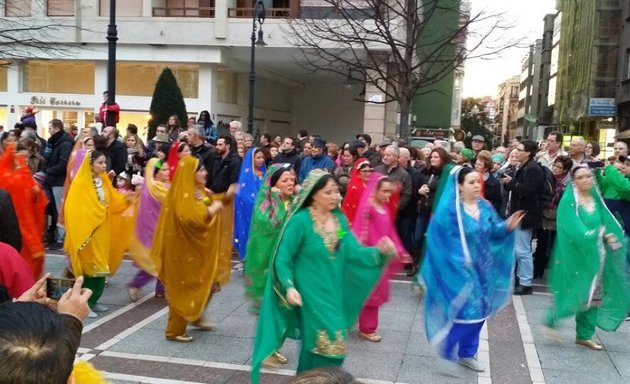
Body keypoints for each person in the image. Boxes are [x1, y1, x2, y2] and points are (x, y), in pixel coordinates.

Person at [250, 171, 396, 383]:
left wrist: (377, 252)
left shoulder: (339, 222)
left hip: (333, 293)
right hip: (309, 294)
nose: (335, 196)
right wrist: (289, 286)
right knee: (327, 346)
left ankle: (306, 379)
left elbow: (350, 250)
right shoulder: (300, 222)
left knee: (327, 347)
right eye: (328, 192)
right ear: (313, 194)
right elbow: (283, 258)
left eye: (337, 191)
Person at [421, 166, 524, 372]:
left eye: (478, 181)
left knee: (480, 314)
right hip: (459, 272)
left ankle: (467, 353)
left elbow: (493, 232)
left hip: (484, 269)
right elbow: (441, 242)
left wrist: (507, 227)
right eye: (471, 182)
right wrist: (460, 260)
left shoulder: (484, 206)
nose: (477, 185)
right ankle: (447, 351)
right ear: (459, 186)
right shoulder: (450, 211)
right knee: (469, 313)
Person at [543, 166, 629, 350]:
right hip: (577, 257)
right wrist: (598, 233)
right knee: (578, 293)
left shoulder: (595, 198)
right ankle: (550, 320)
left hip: (597, 256)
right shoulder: (570, 200)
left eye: (588, 176)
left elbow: (606, 219)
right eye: (580, 177)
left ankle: (584, 335)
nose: (585, 180)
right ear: (574, 181)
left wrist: (613, 235)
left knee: (594, 297)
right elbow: (572, 227)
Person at [151, 156, 225, 342]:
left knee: (209, 283)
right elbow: (191, 219)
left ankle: (196, 313)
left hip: (199, 250)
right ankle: (174, 331)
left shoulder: (199, 191)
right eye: (200, 170)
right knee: (183, 288)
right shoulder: (182, 194)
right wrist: (212, 209)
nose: (205, 173)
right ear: (190, 174)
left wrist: (219, 200)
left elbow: (210, 205)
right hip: (183, 251)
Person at [64, 150, 133, 317]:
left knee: (101, 266)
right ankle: (84, 303)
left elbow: (113, 200)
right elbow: (73, 209)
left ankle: (94, 300)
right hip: (89, 232)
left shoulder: (103, 180)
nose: (103, 166)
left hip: (102, 229)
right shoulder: (81, 183)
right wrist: (96, 214)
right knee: (90, 267)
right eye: (100, 163)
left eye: (104, 163)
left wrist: (127, 200)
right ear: (91, 164)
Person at [352, 175, 411, 342]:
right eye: (384, 191)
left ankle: (362, 323)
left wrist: (398, 249)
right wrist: (372, 250)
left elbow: (389, 231)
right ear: (374, 190)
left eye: (390, 191)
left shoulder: (383, 208)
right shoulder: (368, 210)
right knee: (370, 294)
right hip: (370, 257)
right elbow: (362, 232)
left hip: (380, 258)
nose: (388, 195)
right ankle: (366, 328)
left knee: (373, 294)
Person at [244, 163, 296, 313]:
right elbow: (273, 224)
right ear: (274, 184)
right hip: (269, 257)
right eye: (285, 181)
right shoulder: (264, 204)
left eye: (291, 179)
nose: (290, 183)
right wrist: (276, 199)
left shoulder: (296, 201)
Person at [501, 140, 544, 295]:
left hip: (526, 215)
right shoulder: (523, 166)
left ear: (528, 152)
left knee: (523, 250)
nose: (516, 152)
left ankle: (525, 283)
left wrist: (511, 182)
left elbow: (528, 190)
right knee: (516, 249)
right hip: (517, 213)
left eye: (519, 149)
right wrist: (508, 182)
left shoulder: (533, 169)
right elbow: (517, 187)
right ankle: (519, 279)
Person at [0, 143, 48, 279]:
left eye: (27, 157)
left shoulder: (25, 175)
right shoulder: (7, 175)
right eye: (22, 156)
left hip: (29, 223)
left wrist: (36, 192)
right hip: (15, 224)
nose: (25, 160)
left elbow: (36, 199)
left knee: (34, 258)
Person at [127, 159, 170, 301]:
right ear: (156, 173)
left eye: (167, 169)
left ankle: (161, 290)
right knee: (155, 262)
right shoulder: (157, 188)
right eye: (163, 170)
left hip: (160, 229)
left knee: (163, 260)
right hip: (154, 230)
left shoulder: (152, 186)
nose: (167, 171)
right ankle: (135, 285)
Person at [208, 135, 242, 287]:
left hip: (225, 199)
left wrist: (225, 200)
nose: (217, 146)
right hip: (214, 196)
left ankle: (219, 273)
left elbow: (234, 184)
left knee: (224, 235)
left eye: (220, 144)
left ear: (227, 145)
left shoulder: (234, 160)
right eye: (217, 143)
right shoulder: (216, 158)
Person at [534, 155, 572, 279]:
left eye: (559, 167)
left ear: (565, 170)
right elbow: (540, 195)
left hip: (560, 217)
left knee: (557, 244)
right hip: (545, 214)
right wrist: (547, 203)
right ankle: (538, 269)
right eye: (554, 165)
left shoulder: (569, 183)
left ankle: (556, 271)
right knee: (542, 243)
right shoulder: (547, 178)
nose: (555, 168)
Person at [43, 119, 74, 249]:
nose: (48, 130)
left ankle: (62, 238)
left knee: (60, 210)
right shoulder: (57, 142)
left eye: (50, 128)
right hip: (55, 180)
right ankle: (59, 236)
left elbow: (63, 163)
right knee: (56, 209)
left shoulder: (64, 143)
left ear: (56, 128)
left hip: (59, 181)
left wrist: (48, 171)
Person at [233, 148, 266, 261]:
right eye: (258, 158)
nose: (261, 160)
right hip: (250, 212)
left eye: (262, 157)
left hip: (264, 212)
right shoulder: (247, 175)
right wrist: (257, 204)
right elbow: (242, 195)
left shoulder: (264, 174)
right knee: (248, 234)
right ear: (251, 159)